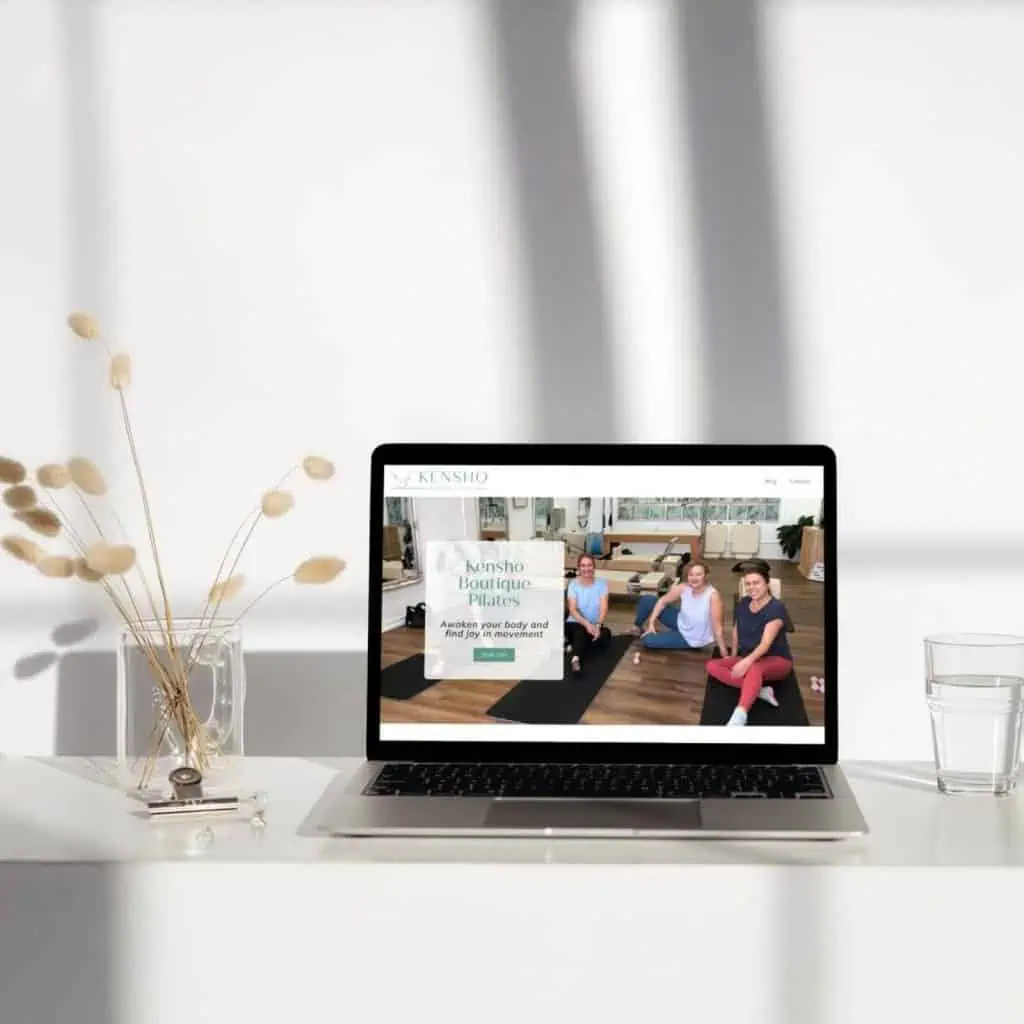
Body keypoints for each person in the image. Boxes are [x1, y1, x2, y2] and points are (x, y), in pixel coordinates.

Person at [706, 563, 794, 726]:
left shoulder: (776, 608)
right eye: (748, 584)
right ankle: (759, 691)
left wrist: (746, 662)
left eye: (756, 583)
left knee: (753, 668)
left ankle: (740, 714)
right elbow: (736, 631)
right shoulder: (743, 603)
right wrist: (734, 657)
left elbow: (765, 644)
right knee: (712, 666)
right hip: (751, 656)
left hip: (777, 659)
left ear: (766, 583)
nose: (751, 587)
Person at [630, 560, 726, 655]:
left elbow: (718, 629)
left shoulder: (713, 595)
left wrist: (724, 653)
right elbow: (662, 601)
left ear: (705, 576)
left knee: (648, 640)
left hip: (693, 638)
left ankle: (674, 636)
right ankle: (637, 627)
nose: (694, 578)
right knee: (647, 599)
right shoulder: (683, 587)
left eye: (698, 574)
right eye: (691, 575)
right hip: (682, 621)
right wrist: (651, 623)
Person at [565, 554, 610, 674]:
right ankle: (575, 659)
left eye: (589, 565)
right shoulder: (573, 585)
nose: (586, 568)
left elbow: (604, 608)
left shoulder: (602, 584)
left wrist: (598, 626)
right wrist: (587, 625)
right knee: (582, 631)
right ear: (579, 568)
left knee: (606, 634)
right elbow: (572, 610)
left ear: (594, 567)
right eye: (583, 566)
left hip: (594, 625)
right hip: (574, 624)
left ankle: (574, 645)